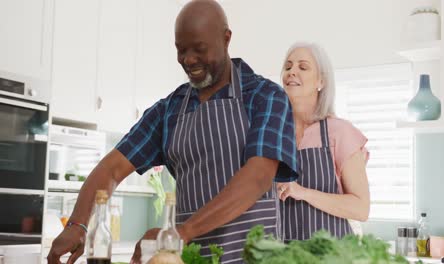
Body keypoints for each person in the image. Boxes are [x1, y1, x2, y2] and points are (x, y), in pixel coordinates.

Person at [46, 1, 297, 263]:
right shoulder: (169, 111)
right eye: (181, 50)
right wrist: (77, 224)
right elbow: (111, 169)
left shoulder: (266, 97)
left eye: (199, 49)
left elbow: (257, 177)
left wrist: (182, 232)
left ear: (226, 39)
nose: (188, 60)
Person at [276, 42, 370, 242]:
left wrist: (303, 193)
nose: (292, 72)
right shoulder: (273, 133)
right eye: (288, 66)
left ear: (321, 81)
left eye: (302, 67)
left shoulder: (340, 133)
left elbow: (361, 209)